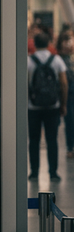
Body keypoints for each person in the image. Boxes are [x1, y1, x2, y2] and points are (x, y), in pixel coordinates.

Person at [28, 31, 68, 182]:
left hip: (33, 108)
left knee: (34, 140)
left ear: (35, 44)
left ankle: (34, 172)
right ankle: (53, 172)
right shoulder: (57, 60)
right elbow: (64, 84)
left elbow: (25, 84)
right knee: (52, 140)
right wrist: (63, 104)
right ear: (49, 44)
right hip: (53, 106)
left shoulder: (28, 61)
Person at [57, 29, 74, 160]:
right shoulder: (58, 59)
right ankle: (70, 147)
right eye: (66, 40)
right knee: (69, 121)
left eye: (70, 40)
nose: (69, 43)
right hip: (67, 95)